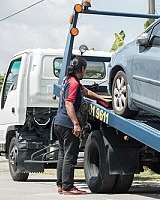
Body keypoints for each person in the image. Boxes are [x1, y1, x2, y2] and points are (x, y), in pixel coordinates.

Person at [53, 56, 107, 195]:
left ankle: (61, 185)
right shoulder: (74, 83)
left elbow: (87, 92)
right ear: (82, 69)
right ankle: (68, 187)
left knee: (63, 155)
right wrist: (76, 124)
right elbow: (69, 103)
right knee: (70, 156)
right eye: (85, 69)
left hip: (59, 123)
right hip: (68, 124)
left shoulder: (68, 80)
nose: (85, 72)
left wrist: (102, 99)